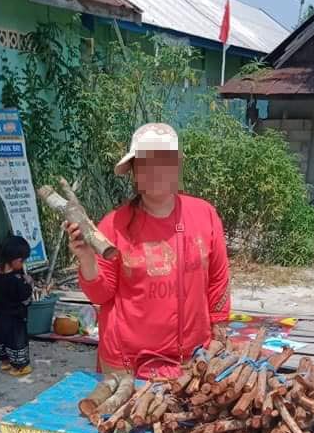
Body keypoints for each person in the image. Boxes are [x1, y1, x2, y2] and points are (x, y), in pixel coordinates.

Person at [68, 122, 230, 379]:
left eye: (163, 161)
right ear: (134, 172)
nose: (155, 171)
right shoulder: (113, 225)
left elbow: (218, 281)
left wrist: (219, 336)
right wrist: (87, 258)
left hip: (192, 361)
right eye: (145, 163)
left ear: (177, 165)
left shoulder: (204, 215)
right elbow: (100, 294)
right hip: (127, 364)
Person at [0, 235, 33, 377]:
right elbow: (24, 295)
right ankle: (20, 366)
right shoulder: (16, 280)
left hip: (0, 314)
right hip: (15, 316)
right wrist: (29, 283)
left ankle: (4, 361)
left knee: (1, 336)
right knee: (16, 339)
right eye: (22, 261)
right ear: (14, 260)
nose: (23, 264)